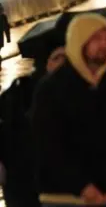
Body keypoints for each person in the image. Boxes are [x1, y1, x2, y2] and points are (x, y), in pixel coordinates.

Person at [31, 13, 106, 207]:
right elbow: (47, 145)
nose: (104, 44)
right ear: (78, 41)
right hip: (64, 198)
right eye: (95, 38)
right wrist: (81, 186)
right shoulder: (52, 88)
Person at [0, 47, 65, 207]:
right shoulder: (19, 95)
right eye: (57, 57)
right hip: (25, 189)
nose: (63, 64)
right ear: (45, 62)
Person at [0, 3, 10, 70]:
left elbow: (6, 28)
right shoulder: (3, 17)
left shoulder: (3, 17)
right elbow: (6, 28)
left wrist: (8, 38)